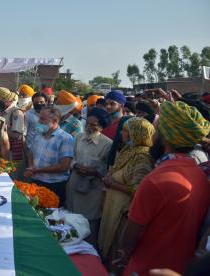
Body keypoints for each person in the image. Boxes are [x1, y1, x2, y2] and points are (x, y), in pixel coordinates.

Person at [118, 101, 210, 276]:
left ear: (164, 134)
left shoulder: (155, 180)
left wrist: (124, 256)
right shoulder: (200, 175)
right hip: (181, 267)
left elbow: (129, 239)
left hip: (148, 267)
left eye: (157, 125)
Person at [98, 117, 155, 267]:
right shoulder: (128, 150)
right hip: (113, 205)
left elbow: (139, 190)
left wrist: (113, 184)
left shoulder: (142, 157)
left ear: (135, 134)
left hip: (123, 212)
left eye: (125, 131)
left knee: (115, 251)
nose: (121, 133)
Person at [66, 108, 112, 245]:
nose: (89, 127)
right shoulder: (79, 137)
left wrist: (94, 171)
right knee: (70, 220)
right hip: (74, 183)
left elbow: (107, 170)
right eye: (88, 123)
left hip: (92, 190)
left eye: (94, 125)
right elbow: (71, 158)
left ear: (101, 126)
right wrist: (76, 166)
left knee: (88, 225)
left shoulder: (108, 144)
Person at [24, 106, 74, 206]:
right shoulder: (38, 134)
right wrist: (31, 166)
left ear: (55, 120)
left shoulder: (65, 138)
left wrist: (38, 170)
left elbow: (64, 166)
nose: (39, 121)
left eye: (42, 119)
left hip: (54, 185)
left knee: (50, 216)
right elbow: (31, 153)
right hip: (36, 182)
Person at [0, 87, 25, 161]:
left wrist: (0, 127)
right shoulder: (1, 111)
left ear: (7, 99)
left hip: (12, 151)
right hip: (2, 149)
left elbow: (16, 136)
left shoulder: (16, 112)